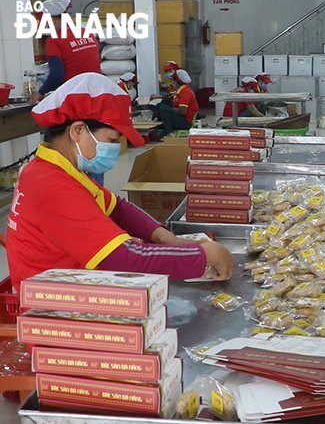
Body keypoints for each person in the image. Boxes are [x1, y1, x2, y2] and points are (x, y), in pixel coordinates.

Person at [6, 73, 233, 294]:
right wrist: (206, 255)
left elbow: (117, 207)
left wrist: (162, 236)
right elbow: (124, 260)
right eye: (112, 140)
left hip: (71, 281)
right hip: (53, 305)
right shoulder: (53, 186)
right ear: (77, 130)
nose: (114, 149)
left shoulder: (56, 168)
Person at [29, 0, 101, 105]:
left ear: (52, 20)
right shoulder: (86, 33)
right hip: (96, 94)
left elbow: (56, 76)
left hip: (75, 97)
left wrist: (41, 92)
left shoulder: (54, 41)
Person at [154, 69, 199, 136]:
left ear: (177, 81)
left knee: (164, 109)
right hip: (181, 118)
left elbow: (182, 111)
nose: (172, 83)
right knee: (159, 106)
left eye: (173, 80)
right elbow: (171, 97)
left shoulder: (186, 92)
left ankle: (169, 132)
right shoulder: (181, 91)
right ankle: (158, 128)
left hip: (186, 122)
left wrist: (170, 109)